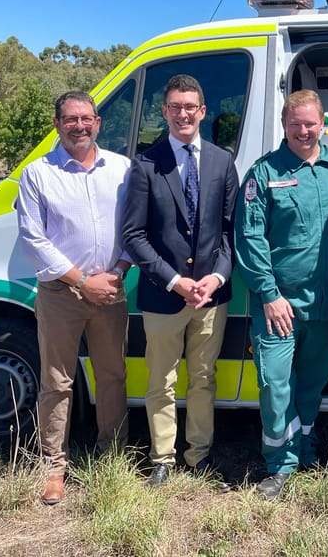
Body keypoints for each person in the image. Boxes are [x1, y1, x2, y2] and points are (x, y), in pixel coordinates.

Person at [235, 89, 328, 499]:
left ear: (324, 124)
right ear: (284, 126)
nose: (304, 131)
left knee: (311, 384)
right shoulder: (264, 173)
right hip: (279, 305)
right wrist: (269, 295)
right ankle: (280, 463)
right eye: (295, 124)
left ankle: (305, 450)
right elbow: (250, 238)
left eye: (311, 123)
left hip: (326, 304)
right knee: (275, 385)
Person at [122, 75, 239, 487]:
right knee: (162, 381)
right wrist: (174, 281)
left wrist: (216, 276)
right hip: (163, 296)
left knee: (204, 378)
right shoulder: (146, 164)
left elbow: (230, 232)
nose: (183, 113)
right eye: (175, 106)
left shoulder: (223, 162)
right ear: (165, 111)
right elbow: (133, 236)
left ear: (202, 111)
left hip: (211, 295)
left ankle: (199, 455)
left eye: (191, 106)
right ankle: (163, 459)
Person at [16, 90, 131, 505]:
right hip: (61, 292)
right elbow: (33, 239)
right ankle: (54, 467)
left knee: (113, 375)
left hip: (112, 290)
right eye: (70, 119)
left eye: (86, 118)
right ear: (57, 125)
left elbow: (134, 229)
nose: (79, 125)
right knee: (57, 382)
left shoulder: (122, 169)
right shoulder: (37, 174)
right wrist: (83, 281)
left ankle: (112, 454)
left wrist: (116, 272)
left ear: (98, 122)